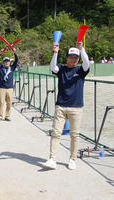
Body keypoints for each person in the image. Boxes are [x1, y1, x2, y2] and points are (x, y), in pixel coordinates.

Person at [41, 42, 89, 170]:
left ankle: (72, 159)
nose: (73, 59)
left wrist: (82, 49)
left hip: (76, 107)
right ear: (67, 58)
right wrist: (55, 52)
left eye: (76, 57)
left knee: (74, 135)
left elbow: (87, 64)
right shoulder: (61, 69)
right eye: (71, 57)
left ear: (78, 59)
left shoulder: (81, 70)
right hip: (61, 106)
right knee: (56, 133)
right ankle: (52, 159)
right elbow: (53, 67)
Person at [0, 50, 18, 122]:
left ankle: (7, 116)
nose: (7, 62)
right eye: (5, 61)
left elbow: (16, 60)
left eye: (8, 61)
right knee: (1, 102)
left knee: (9, 102)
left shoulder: (12, 68)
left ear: (9, 62)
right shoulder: (1, 68)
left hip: (10, 88)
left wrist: (14, 52)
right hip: (2, 88)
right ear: (3, 62)